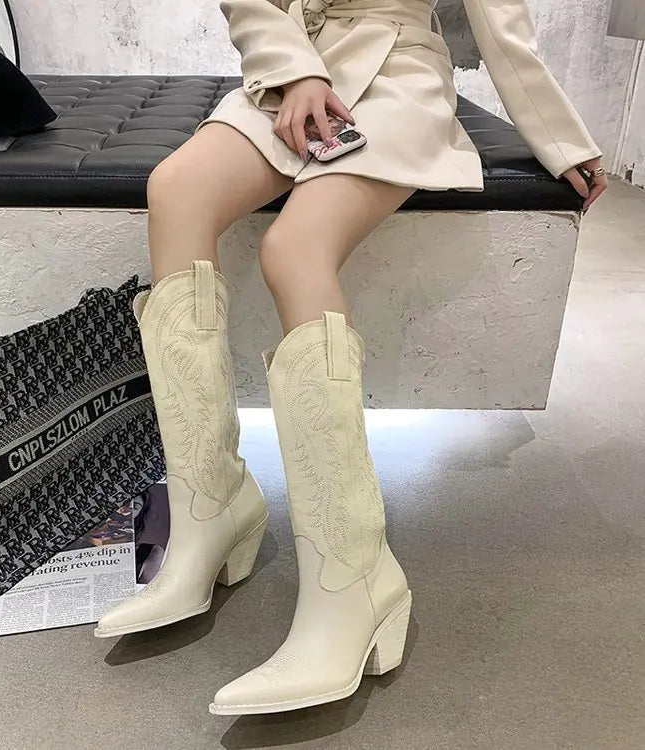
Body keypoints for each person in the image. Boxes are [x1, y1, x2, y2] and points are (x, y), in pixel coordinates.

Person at [95, 0, 608, 716]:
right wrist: (294, 69)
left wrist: (559, 138)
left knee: (293, 248)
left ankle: (352, 576)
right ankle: (209, 504)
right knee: (175, 189)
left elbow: (501, 19)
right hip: (290, 72)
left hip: (398, 75)